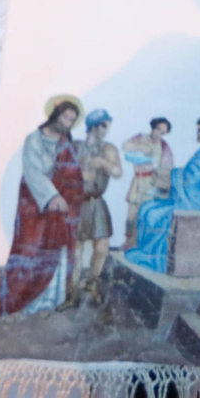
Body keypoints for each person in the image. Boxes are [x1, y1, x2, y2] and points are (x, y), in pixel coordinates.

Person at [0, 97, 84, 318]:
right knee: (29, 248)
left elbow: (73, 173)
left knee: (56, 250)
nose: (68, 123)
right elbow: (33, 171)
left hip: (60, 206)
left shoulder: (65, 143)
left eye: (72, 120)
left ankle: (49, 298)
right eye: (66, 117)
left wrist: (69, 192)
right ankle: (20, 298)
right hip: (34, 204)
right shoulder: (34, 139)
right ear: (55, 114)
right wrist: (53, 196)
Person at [124, 118, 200, 275]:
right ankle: (146, 251)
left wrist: (170, 174)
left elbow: (190, 179)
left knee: (154, 213)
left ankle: (157, 258)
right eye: (199, 130)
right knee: (147, 207)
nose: (199, 134)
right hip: (195, 199)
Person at [74, 108, 122, 303]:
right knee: (75, 249)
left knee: (102, 248)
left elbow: (118, 172)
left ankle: (91, 282)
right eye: (104, 125)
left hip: (97, 202)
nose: (107, 129)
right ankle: (72, 289)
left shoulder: (108, 149)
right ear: (94, 126)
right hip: (77, 203)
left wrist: (102, 163)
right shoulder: (75, 146)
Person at [121, 117, 175, 250]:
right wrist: (141, 147)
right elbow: (125, 146)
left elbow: (168, 167)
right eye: (158, 129)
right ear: (153, 127)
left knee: (146, 215)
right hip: (138, 181)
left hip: (152, 183)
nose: (159, 134)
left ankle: (142, 245)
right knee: (131, 216)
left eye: (163, 132)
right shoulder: (140, 137)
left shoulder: (164, 146)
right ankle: (129, 241)